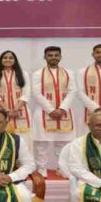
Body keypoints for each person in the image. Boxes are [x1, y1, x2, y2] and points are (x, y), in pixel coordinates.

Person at [31, 46, 76, 177]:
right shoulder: (38, 73)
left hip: (64, 112)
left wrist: (62, 108)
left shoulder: (68, 73)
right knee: (42, 142)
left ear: (60, 57)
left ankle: (62, 167)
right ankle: (41, 168)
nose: (53, 58)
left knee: (63, 142)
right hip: (44, 111)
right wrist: (50, 110)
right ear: (45, 57)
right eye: (50, 55)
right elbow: (36, 93)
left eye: (56, 55)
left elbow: (72, 91)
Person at [0, 50, 32, 138]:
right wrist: (7, 110)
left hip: (20, 110)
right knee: (3, 137)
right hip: (2, 110)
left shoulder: (23, 74)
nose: (8, 60)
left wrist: (15, 110)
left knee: (23, 138)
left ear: (15, 60)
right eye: (5, 58)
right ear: (1, 60)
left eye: (11, 58)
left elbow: (26, 93)